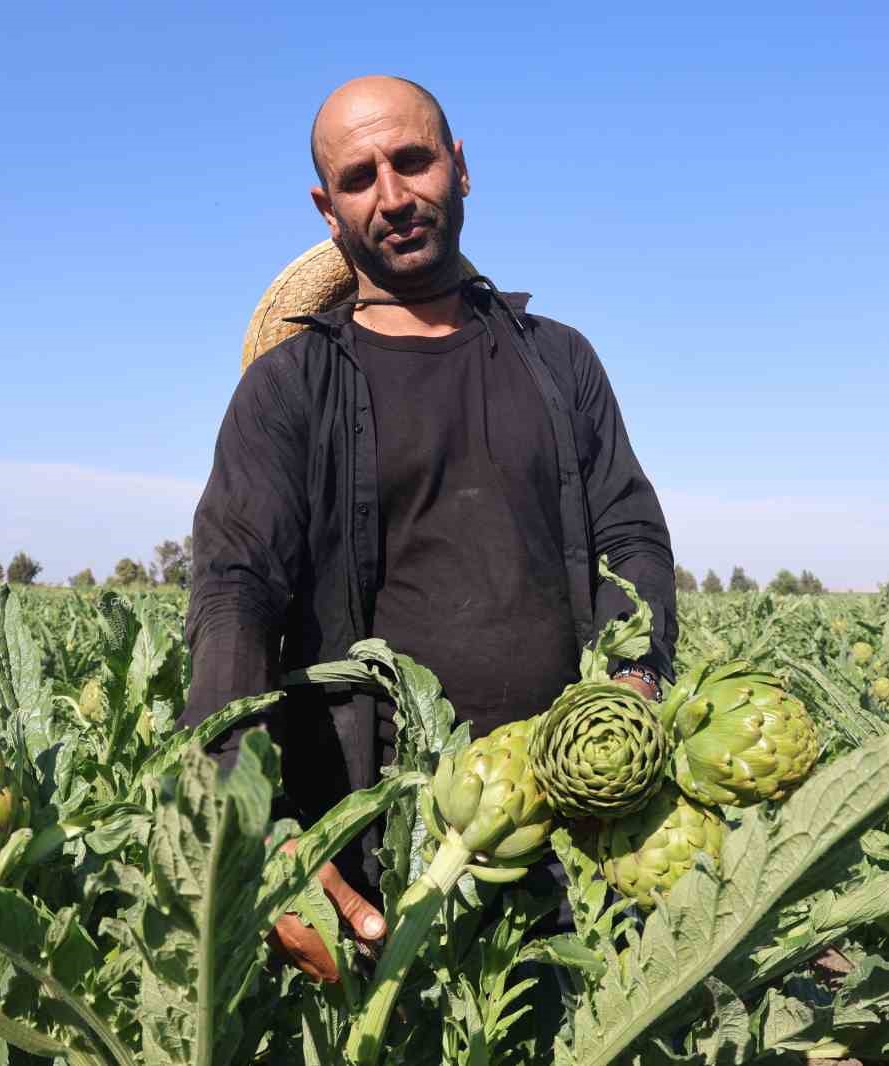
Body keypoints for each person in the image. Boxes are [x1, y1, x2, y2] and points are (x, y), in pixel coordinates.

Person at [182, 76, 676, 983]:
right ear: (328, 210)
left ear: (460, 167)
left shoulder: (561, 360)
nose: (395, 195)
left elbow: (631, 532)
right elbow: (233, 596)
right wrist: (254, 829)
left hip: (574, 842)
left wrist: (633, 689)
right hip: (371, 853)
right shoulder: (289, 389)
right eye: (361, 177)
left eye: (413, 161)